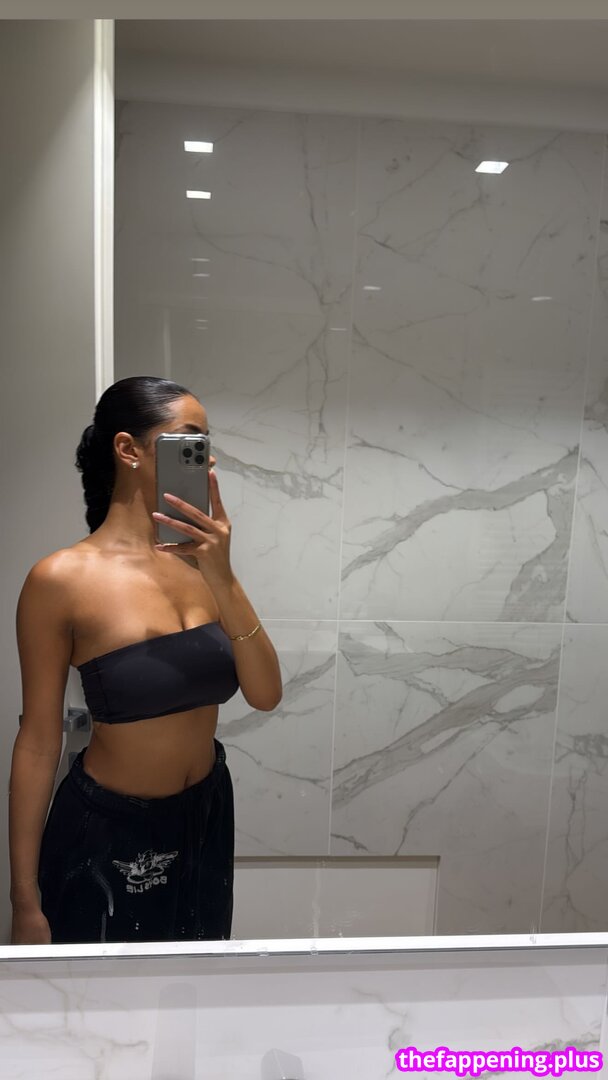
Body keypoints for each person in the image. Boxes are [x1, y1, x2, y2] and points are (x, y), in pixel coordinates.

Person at [9, 376, 282, 944]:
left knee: (193, 988)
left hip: (206, 815)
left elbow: (265, 695)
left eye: (207, 443)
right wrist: (23, 897)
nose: (206, 459)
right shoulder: (60, 580)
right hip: (106, 832)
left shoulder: (202, 565)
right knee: (100, 997)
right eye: (190, 440)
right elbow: (37, 741)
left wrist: (223, 574)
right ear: (128, 449)